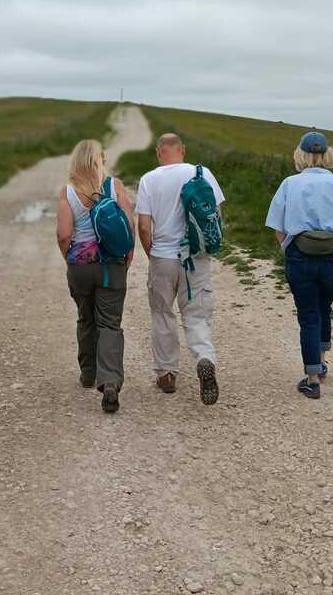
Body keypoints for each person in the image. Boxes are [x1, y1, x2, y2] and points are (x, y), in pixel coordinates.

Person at [265, 131, 333, 399]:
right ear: (326, 154)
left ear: (300, 154)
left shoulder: (290, 183)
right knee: (324, 308)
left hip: (300, 254)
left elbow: (277, 225)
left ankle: (312, 379)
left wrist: (288, 248)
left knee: (308, 314)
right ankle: (321, 362)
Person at [136, 133, 226, 405]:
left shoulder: (149, 179)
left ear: (158, 152)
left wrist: (152, 254)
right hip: (195, 256)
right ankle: (204, 358)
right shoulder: (203, 173)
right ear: (183, 150)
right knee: (197, 316)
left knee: (162, 314)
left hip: (163, 256)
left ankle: (166, 375)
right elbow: (216, 215)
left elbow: (143, 225)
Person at [55, 139, 135, 413]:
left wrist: (69, 257)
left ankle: (88, 373)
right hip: (111, 265)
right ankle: (110, 381)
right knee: (110, 323)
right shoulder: (114, 187)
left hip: (81, 266)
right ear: (100, 160)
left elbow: (64, 234)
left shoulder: (68, 192)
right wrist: (129, 253)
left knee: (85, 317)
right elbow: (128, 221)